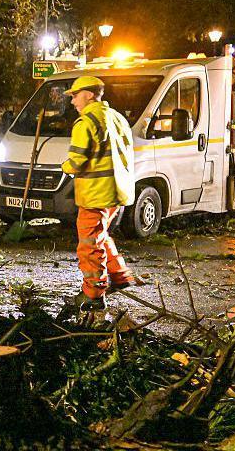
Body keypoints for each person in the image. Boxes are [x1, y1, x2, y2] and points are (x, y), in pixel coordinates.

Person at [61, 75, 142, 311]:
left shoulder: (86, 121)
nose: (73, 101)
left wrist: (64, 166)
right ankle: (120, 275)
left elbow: (76, 161)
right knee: (101, 234)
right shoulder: (117, 118)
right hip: (117, 192)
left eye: (75, 96)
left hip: (95, 193)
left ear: (88, 94)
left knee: (89, 242)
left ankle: (93, 294)